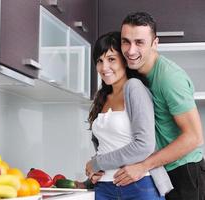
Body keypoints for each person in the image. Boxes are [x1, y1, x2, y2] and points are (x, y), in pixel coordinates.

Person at [112, 12, 205, 200]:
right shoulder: (134, 74)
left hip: (184, 172)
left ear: (155, 43)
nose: (130, 51)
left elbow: (194, 137)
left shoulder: (169, 78)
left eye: (139, 42)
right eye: (125, 41)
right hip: (160, 170)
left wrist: (143, 166)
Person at [84, 31, 167, 200]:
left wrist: (97, 163)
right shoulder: (102, 96)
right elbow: (108, 146)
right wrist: (93, 172)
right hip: (104, 188)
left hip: (139, 186)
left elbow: (144, 145)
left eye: (111, 59)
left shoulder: (134, 87)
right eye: (99, 61)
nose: (104, 67)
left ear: (124, 60)